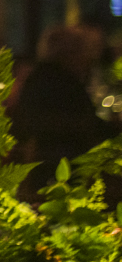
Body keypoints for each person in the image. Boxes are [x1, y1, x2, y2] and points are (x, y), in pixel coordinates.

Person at [13, 25, 116, 196]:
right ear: (70, 54)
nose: (88, 60)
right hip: (60, 166)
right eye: (84, 53)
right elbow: (82, 123)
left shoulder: (39, 78)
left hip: (41, 165)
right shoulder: (62, 82)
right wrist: (113, 130)